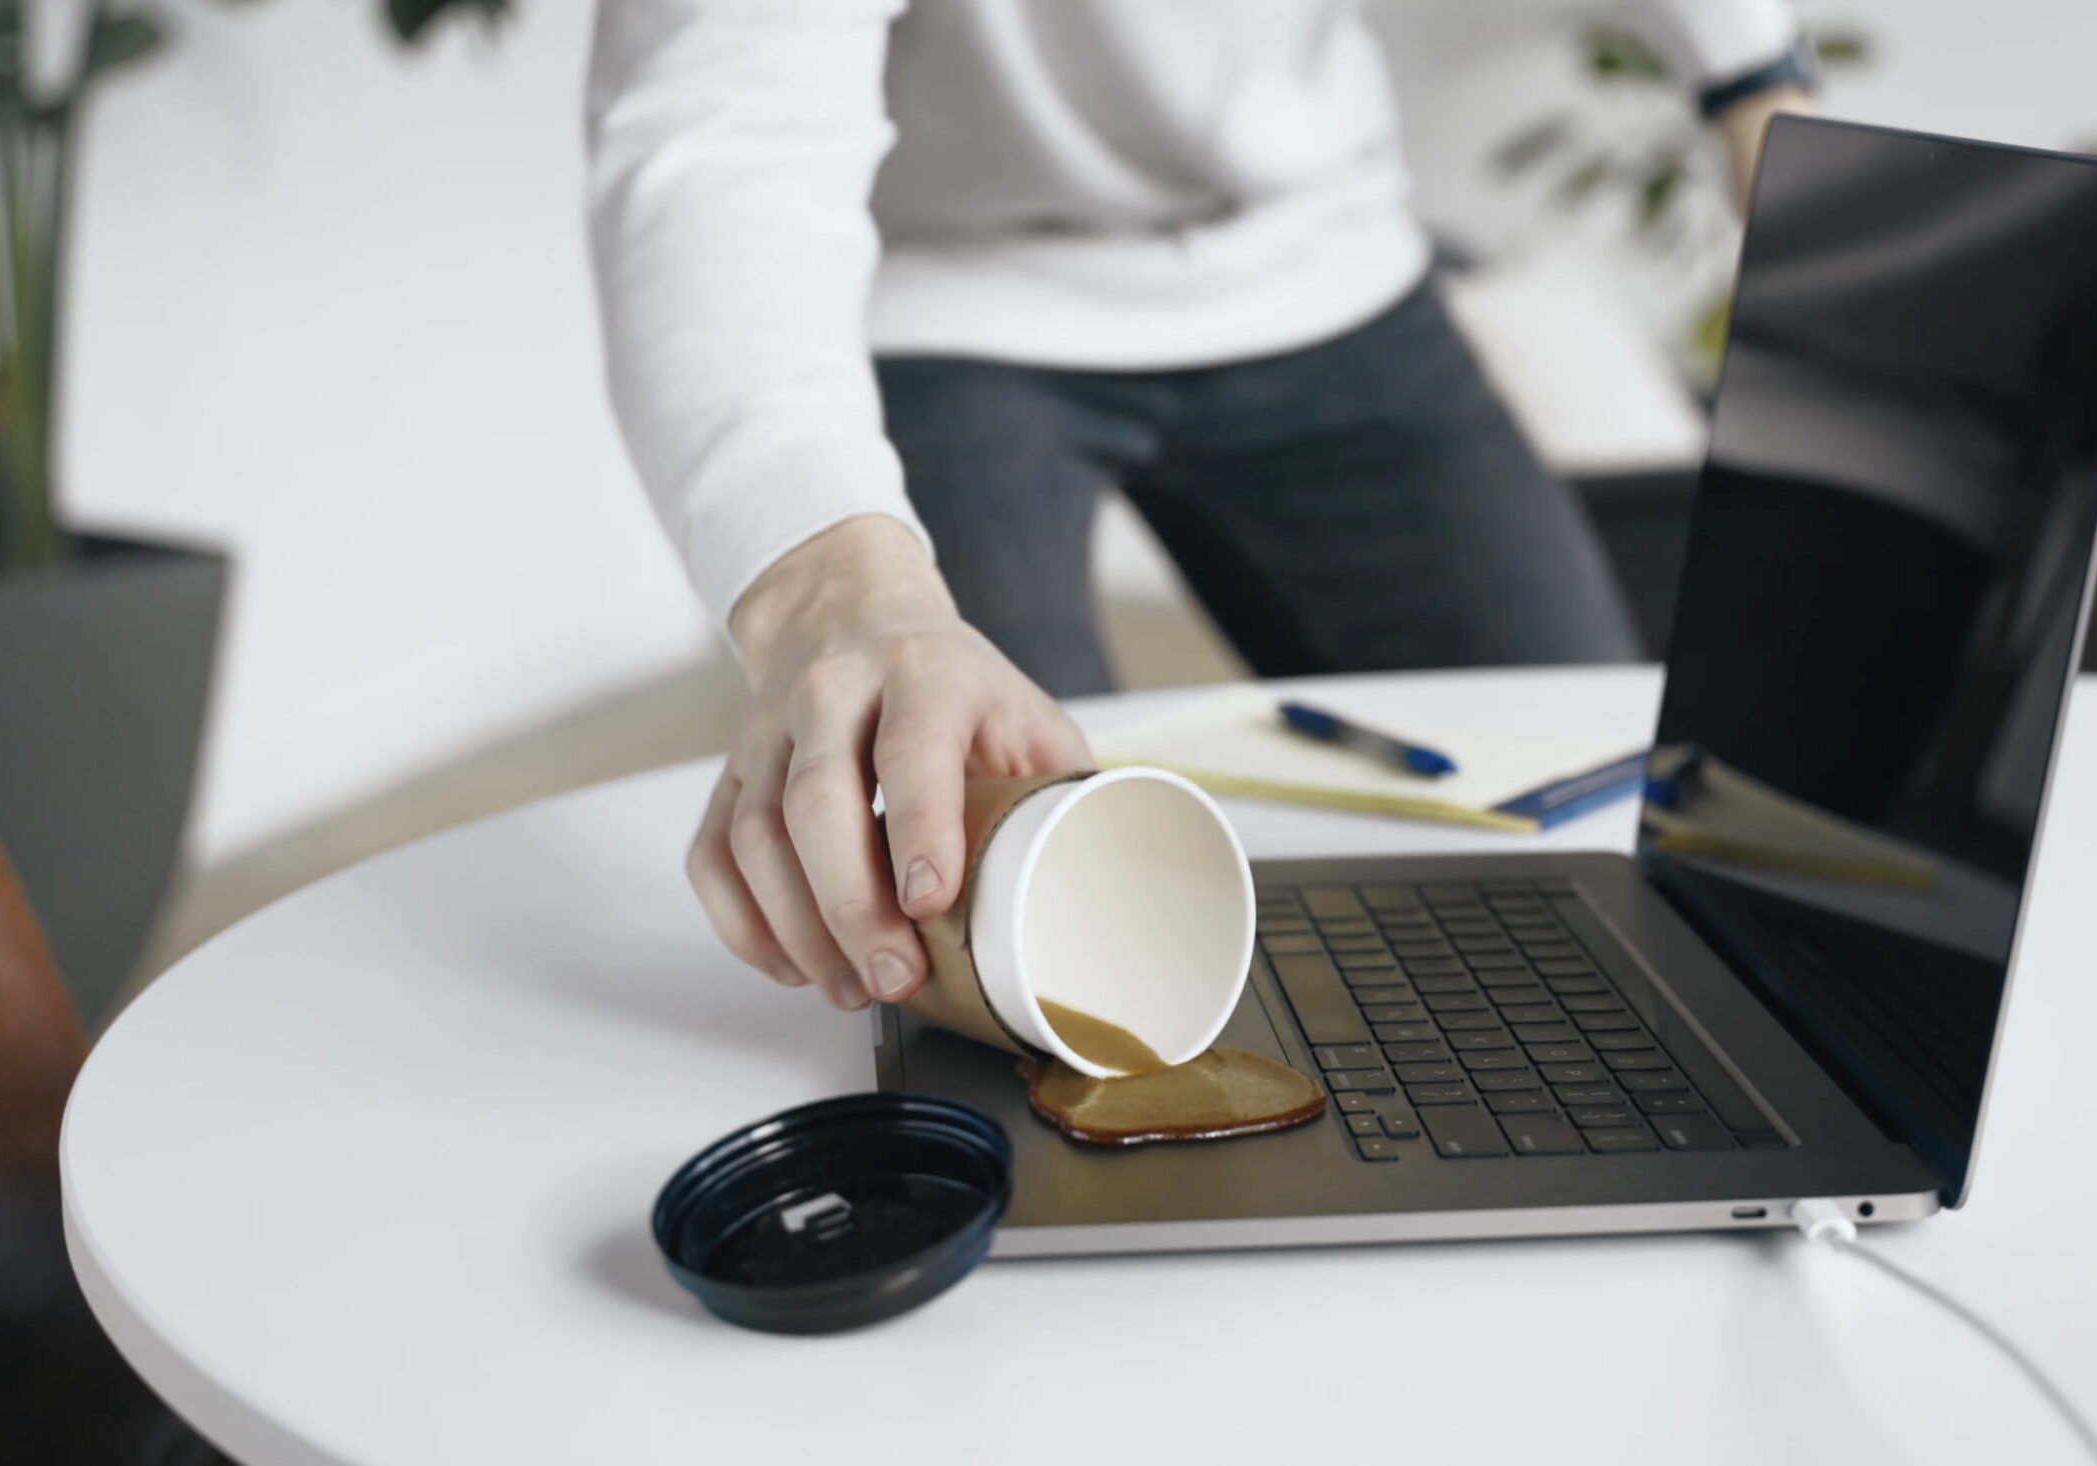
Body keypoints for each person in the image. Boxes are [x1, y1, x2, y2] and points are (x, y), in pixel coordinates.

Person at [586, 0, 1814, 1014]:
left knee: (1604, 830)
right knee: (989, 888)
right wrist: (834, 593)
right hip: (950, 294)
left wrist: (1749, 71)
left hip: (1327, 264)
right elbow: (725, 125)